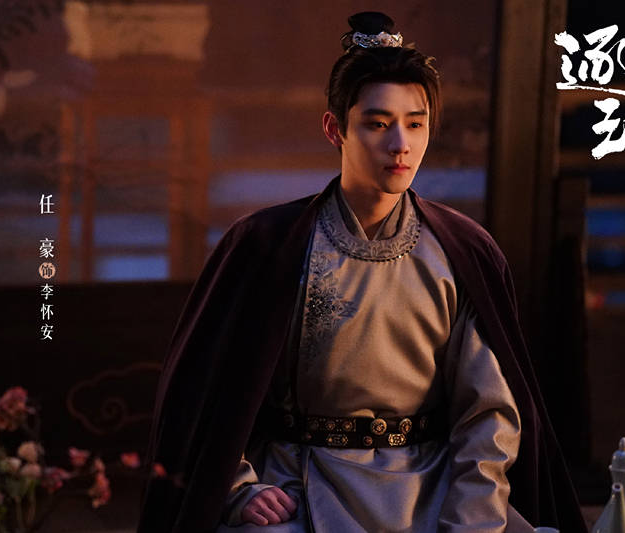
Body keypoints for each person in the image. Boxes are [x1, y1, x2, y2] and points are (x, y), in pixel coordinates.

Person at [138, 12, 587, 533]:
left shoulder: (460, 250)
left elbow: (488, 414)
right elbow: (202, 393)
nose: (400, 144)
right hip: (298, 481)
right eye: (378, 124)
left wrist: (471, 517)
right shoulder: (269, 245)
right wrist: (239, 487)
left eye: (415, 123)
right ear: (335, 128)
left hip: (431, 485)